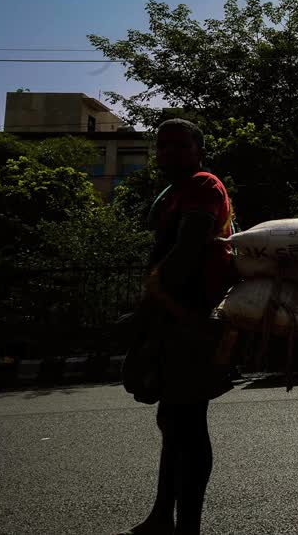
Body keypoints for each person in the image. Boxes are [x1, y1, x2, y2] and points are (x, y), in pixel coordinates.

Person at [117, 119, 236, 535]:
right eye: (162, 146)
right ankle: (162, 517)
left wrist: (149, 305)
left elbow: (186, 250)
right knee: (173, 421)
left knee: (187, 422)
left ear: (199, 151)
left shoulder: (204, 186)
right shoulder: (177, 193)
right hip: (173, 317)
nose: (168, 153)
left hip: (191, 319)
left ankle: (187, 525)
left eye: (179, 145)